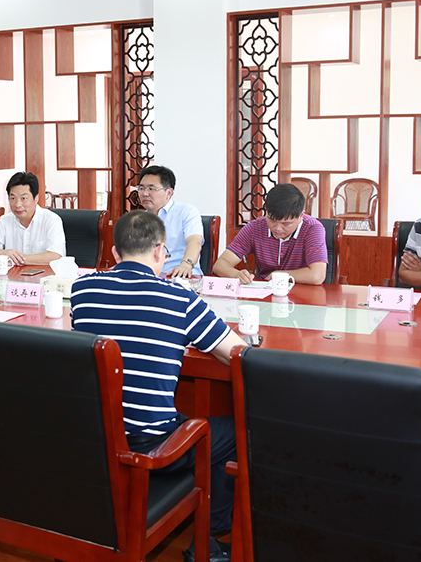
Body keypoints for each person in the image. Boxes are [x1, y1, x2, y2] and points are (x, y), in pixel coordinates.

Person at [71, 211, 245, 562]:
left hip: (95, 437)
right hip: (151, 446)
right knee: (237, 433)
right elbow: (238, 354)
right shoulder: (179, 298)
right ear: (160, 252)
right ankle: (208, 541)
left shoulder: (82, 290)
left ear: (115, 253)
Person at [213, 183, 328, 284]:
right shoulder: (255, 227)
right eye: (272, 220)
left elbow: (317, 276)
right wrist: (236, 274)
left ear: (301, 216)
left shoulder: (312, 229)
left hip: (302, 293)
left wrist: (279, 275)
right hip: (265, 290)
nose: (278, 228)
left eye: (286, 223)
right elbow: (220, 265)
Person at [0, 171, 65, 265]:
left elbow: (56, 256)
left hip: (45, 274)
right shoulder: (5, 220)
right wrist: (3, 253)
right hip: (13, 274)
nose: (17, 204)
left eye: (24, 198)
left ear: (36, 198)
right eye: (13, 198)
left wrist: (15, 259)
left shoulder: (51, 220)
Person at [135, 165, 204, 278]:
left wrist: (186, 264)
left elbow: (195, 241)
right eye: (141, 188)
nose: (145, 193)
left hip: (181, 276)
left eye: (151, 189)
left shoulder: (186, 212)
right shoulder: (139, 219)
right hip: (149, 277)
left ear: (169, 192)